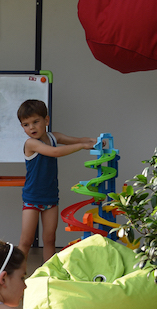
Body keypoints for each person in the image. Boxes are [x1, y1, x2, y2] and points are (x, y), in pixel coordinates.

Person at [16, 99, 98, 262]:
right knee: (26, 242)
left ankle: (50, 276)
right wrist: (82, 146)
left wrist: (94, 142)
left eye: (35, 122)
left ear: (46, 120)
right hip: (32, 199)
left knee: (49, 240)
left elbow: (77, 139)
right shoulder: (31, 143)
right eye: (26, 124)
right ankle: (14, 277)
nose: (31, 127)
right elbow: (56, 152)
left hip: (51, 198)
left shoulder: (55, 137)